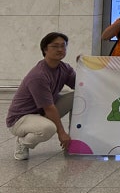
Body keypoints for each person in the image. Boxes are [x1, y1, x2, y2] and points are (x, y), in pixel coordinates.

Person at [7, 32, 75, 160]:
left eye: (63, 46)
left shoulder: (64, 68)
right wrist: (61, 133)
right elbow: (49, 108)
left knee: (77, 97)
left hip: (41, 112)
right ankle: (22, 142)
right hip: (20, 119)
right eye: (55, 46)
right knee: (48, 128)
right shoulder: (39, 75)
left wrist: (84, 65)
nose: (60, 49)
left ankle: (75, 137)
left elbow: (81, 85)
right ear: (45, 49)